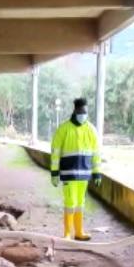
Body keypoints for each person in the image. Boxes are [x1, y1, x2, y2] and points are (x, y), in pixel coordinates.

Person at [51, 97, 102, 241]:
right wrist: (54, 173)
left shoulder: (91, 129)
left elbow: (96, 152)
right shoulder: (64, 128)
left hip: (84, 174)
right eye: (80, 111)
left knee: (80, 204)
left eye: (85, 111)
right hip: (69, 174)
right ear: (75, 111)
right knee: (69, 203)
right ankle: (67, 233)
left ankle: (79, 232)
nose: (83, 114)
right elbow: (55, 152)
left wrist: (97, 172)